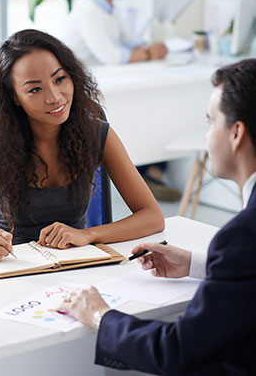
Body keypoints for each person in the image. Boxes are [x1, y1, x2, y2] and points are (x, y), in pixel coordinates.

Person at [57, 58, 256, 375]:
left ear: (236, 133)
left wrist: (99, 315)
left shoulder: (242, 235)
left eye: (210, 122)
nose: (206, 137)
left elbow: (177, 352)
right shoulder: (241, 243)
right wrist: (195, 263)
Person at [0, 29, 164, 263]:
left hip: (78, 268)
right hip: (14, 271)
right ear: (14, 97)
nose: (55, 96)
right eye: (35, 89)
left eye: (60, 79)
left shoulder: (97, 135)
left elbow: (152, 216)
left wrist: (88, 235)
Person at [65, 0, 180, 202]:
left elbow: (131, 41)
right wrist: (147, 53)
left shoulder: (111, 7)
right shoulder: (88, 10)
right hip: (87, 89)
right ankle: (144, 173)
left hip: (111, 82)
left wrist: (149, 49)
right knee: (136, 112)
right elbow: (112, 55)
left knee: (151, 103)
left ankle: (150, 170)